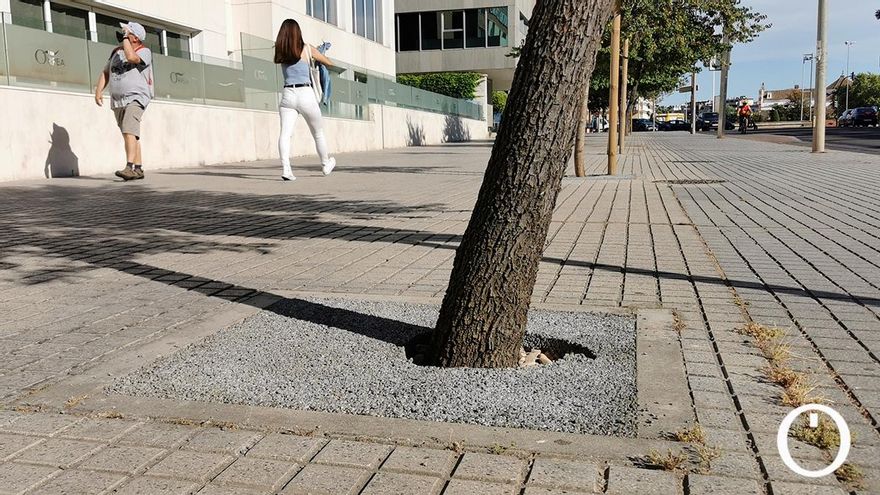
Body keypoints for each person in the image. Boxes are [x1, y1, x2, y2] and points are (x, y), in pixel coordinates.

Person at [274, 19, 336, 181]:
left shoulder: (281, 51)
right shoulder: (307, 48)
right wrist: (318, 55)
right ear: (298, 32)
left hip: (288, 94)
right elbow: (329, 63)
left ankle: (286, 170)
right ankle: (325, 164)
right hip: (305, 94)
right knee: (318, 133)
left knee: (285, 134)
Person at [94, 22, 153, 181]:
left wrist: (126, 39)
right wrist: (99, 91)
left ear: (135, 38)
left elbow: (132, 57)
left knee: (129, 131)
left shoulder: (144, 51)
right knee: (130, 134)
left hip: (136, 97)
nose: (122, 34)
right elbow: (106, 72)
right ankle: (138, 169)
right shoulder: (116, 52)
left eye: (127, 32)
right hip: (118, 100)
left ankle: (129, 167)